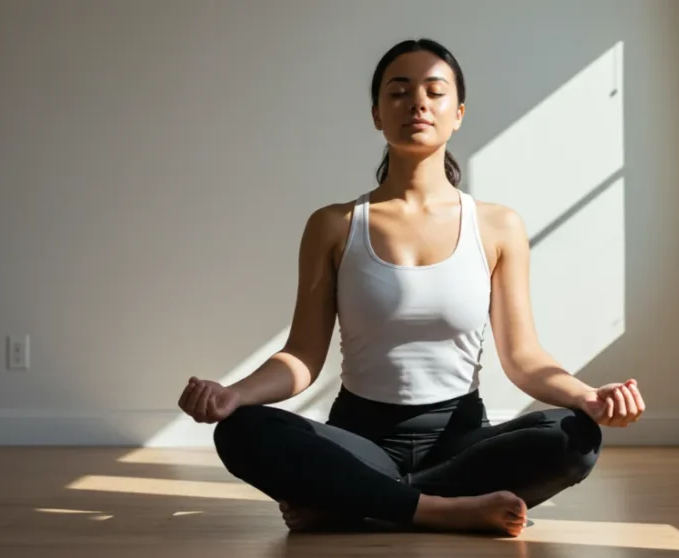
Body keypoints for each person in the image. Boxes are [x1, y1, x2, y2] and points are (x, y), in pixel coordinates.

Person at [177, 37, 645, 538]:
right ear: (377, 114)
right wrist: (234, 394)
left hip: (461, 440)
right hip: (358, 439)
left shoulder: (498, 226)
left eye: (434, 91)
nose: (417, 102)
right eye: (398, 91)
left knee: (575, 435)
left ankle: (356, 502)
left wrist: (589, 396)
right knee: (243, 430)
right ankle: (441, 510)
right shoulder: (333, 225)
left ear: (458, 112)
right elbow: (301, 356)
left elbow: (524, 357)